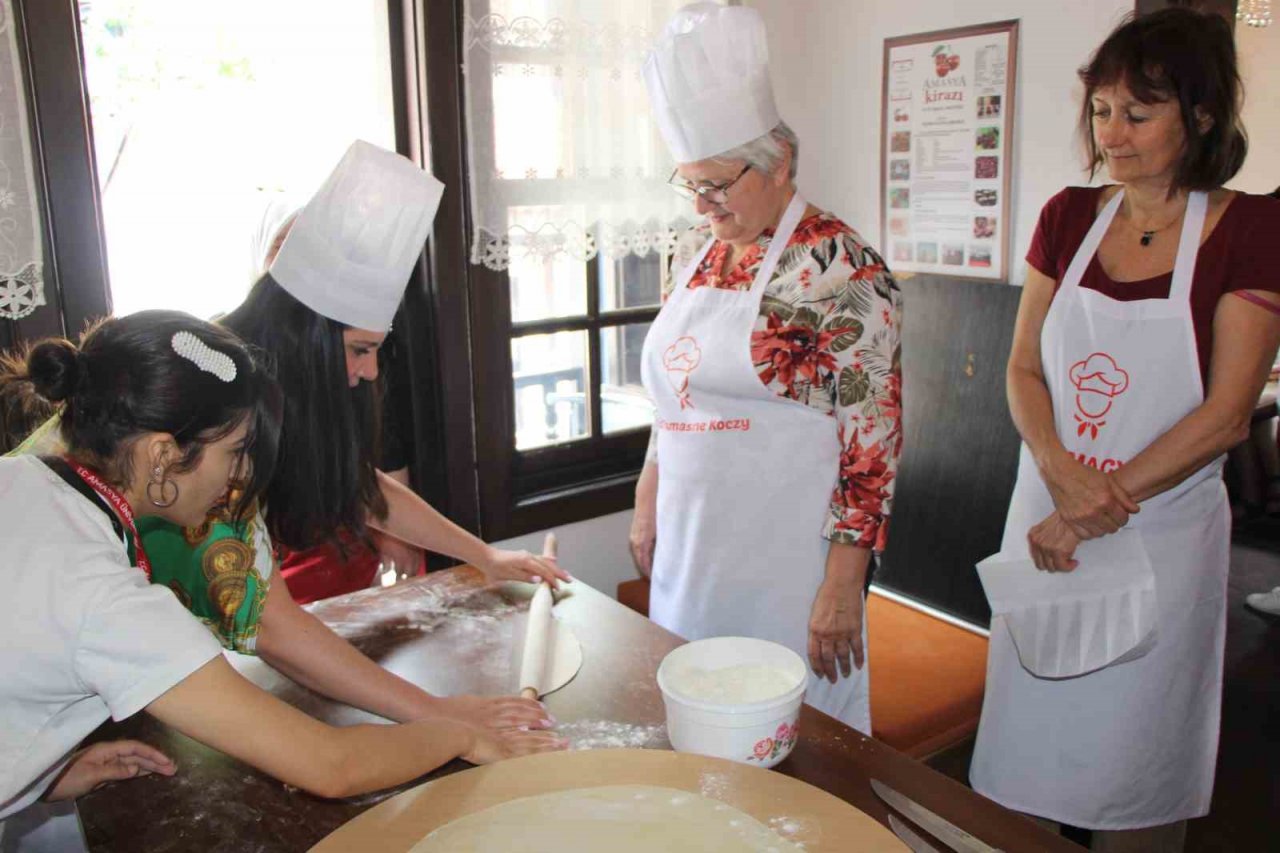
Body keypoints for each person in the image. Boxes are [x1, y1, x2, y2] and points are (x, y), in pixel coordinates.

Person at [7, 142, 563, 735]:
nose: (370, 371)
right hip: (46, 690)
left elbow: (352, 484)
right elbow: (273, 626)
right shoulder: (214, 410)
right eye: (359, 350)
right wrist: (440, 717)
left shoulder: (245, 373)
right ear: (310, 337)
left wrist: (484, 555)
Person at [0, 311, 564, 827]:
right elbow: (330, 764)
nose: (240, 477)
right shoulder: (105, 598)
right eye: (235, 452)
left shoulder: (20, 480)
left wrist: (37, 774)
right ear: (161, 454)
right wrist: (455, 732)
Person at [969, 10, 1280, 851]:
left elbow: (1223, 415)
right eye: (1102, 110)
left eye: (1139, 114)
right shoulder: (1069, 216)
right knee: (1022, 759)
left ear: (1202, 116)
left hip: (1156, 542)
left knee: (1136, 767)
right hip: (1044, 519)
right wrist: (1058, 469)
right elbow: (1023, 368)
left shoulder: (1251, 230)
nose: (1113, 132)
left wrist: (1090, 504)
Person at [633, 3, 903, 733]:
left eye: (717, 184)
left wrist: (845, 586)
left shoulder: (842, 270)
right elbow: (673, 396)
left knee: (790, 751)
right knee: (695, 726)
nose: (701, 203)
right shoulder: (696, 254)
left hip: (785, 572)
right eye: (689, 183)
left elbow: (871, 447)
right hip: (690, 557)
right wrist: (648, 493)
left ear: (780, 161)